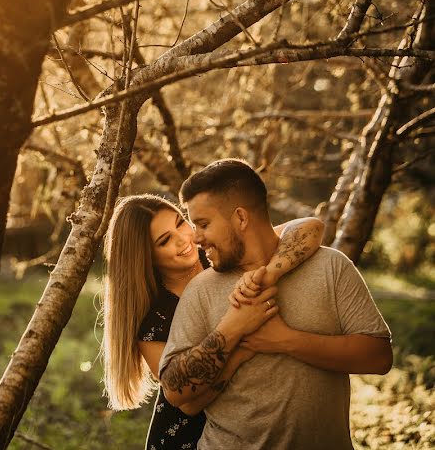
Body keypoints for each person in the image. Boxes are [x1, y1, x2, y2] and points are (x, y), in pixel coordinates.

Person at [158, 159, 392, 449]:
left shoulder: (330, 266)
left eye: (203, 224)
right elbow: (174, 391)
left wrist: (284, 341)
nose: (195, 237)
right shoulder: (201, 290)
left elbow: (379, 357)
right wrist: (234, 332)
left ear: (241, 218)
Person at [101, 193, 324, 450]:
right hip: (189, 440)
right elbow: (189, 402)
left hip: (259, 427)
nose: (184, 239)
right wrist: (240, 340)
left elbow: (310, 227)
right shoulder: (154, 321)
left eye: (180, 223)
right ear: (146, 257)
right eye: (165, 241)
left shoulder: (222, 256)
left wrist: (268, 274)